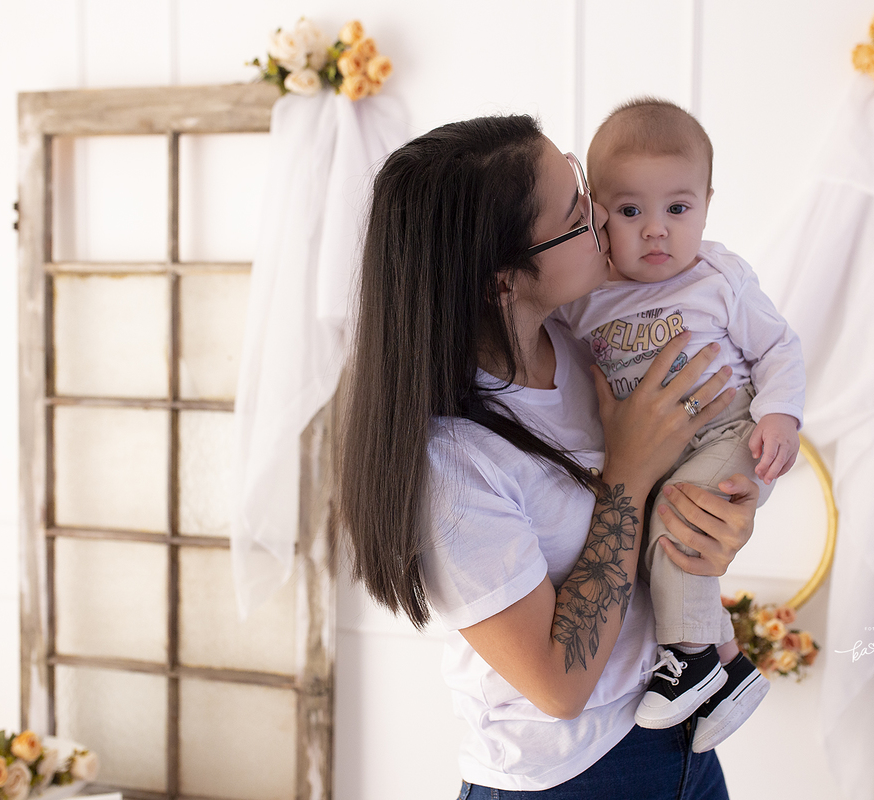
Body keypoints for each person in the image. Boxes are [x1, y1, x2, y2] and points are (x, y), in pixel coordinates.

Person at [336, 113, 760, 798]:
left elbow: (683, 482)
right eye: (575, 211)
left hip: (681, 734)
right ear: (501, 280)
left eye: (582, 185)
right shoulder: (453, 465)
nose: (603, 214)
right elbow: (559, 686)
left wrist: (718, 524)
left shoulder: (587, 339)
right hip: (568, 776)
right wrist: (628, 471)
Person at [554, 98, 805, 745]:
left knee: (681, 517)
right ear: (596, 214)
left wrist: (780, 414)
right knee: (643, 538)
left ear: (707, 203)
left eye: (678, 208)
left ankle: (688, 659)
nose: (656, 230)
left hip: (730, 434)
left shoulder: (719, 277)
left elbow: (778, 347)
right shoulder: (586, 296)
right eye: (631, 211)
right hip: (659, 457)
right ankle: (729, 669)